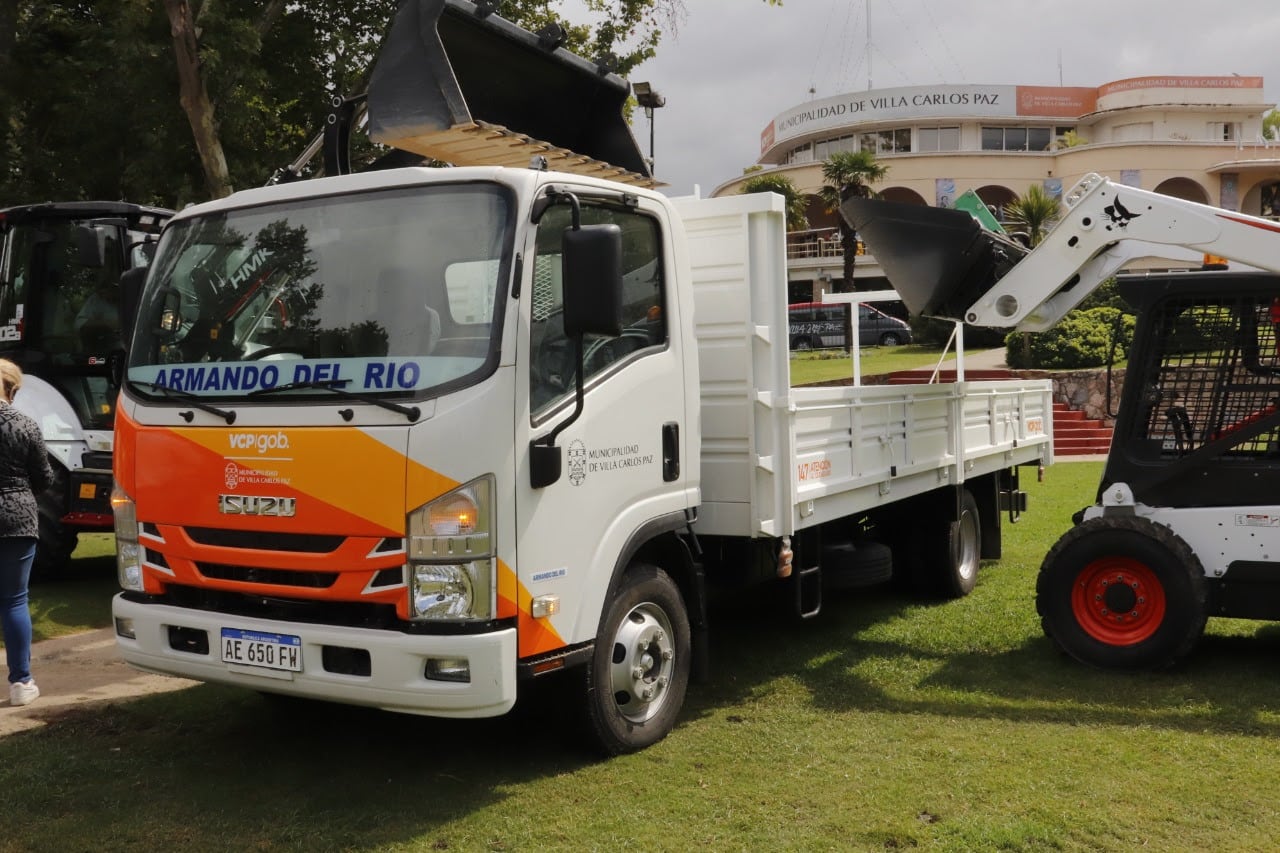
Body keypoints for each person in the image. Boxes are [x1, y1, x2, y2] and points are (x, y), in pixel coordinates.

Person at [0, 359, 53, 705]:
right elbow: (45, 478)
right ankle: (21, 683)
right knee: (14, 600)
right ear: (13, 389)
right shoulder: (25, 425)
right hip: (17, 517)